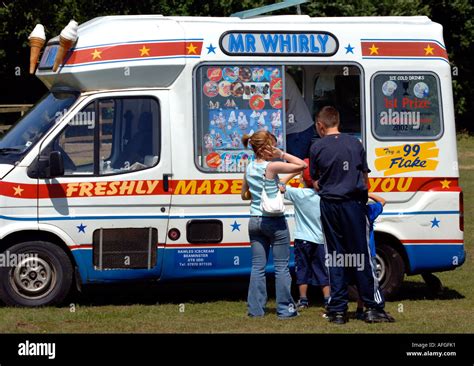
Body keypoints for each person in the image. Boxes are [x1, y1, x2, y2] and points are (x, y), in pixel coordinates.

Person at [310, 106, 394, 324]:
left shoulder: (317, 147)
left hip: (329, 206)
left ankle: (337, 310)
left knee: (335, 256)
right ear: (338, 121)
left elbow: (316, 182)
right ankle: (372, 307)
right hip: (354, 204)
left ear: (320, 125)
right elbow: (365, 180)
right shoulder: (355, 144)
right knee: (362, 255)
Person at [241, 130, 307, 318]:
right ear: (265, 148)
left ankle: (255, 309)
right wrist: (282, 155)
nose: (275, 149)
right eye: (273, 145)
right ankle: (285, 309)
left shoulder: (249, 168)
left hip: (254, 220)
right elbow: (301, 165)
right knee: (281, 267)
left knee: (257, 266)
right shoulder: (272, 166)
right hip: (274, 221)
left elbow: (244, 194)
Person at [279, 163, 330, 313]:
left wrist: (294, 172)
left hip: (303, 239)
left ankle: (303, 299)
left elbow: (279, 185)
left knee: (302, 269)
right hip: (321, 240)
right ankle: (328, 298)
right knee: (323, 269)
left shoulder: (299, 194)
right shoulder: (325, 195)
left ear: (303, 179)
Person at [355, 192, 386, 320]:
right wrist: (369, 194)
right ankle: (373, 307)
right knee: (369, 282)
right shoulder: (369, 210)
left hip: (353, 254)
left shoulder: (350, 214)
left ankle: (359, 309)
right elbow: (383, 201)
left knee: (358, 282)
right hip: (369, 253)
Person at [285, 72, 316, 160]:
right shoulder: (281, 75)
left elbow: (283, 106)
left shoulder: (280, 77)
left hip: (297, 130)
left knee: (295, 165)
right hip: (296, 128)